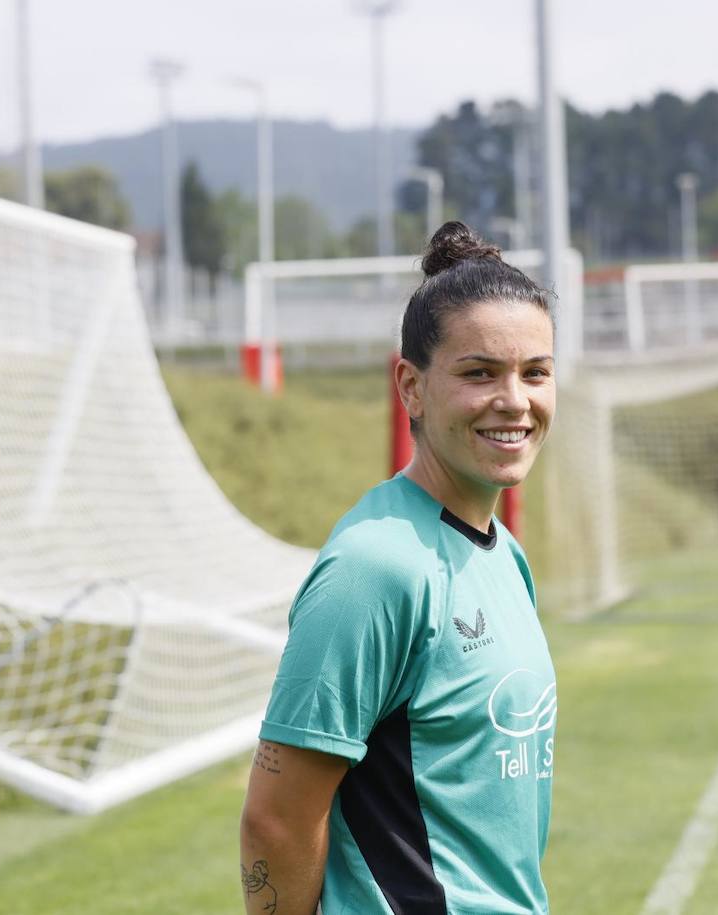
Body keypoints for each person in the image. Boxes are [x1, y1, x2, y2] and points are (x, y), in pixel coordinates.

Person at [240, 221, 559, 915]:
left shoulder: (506, 556)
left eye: (535, 371)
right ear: (411, 387)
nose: (515, 399)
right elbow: (277, 818)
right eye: (480, 373)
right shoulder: (375, 567)